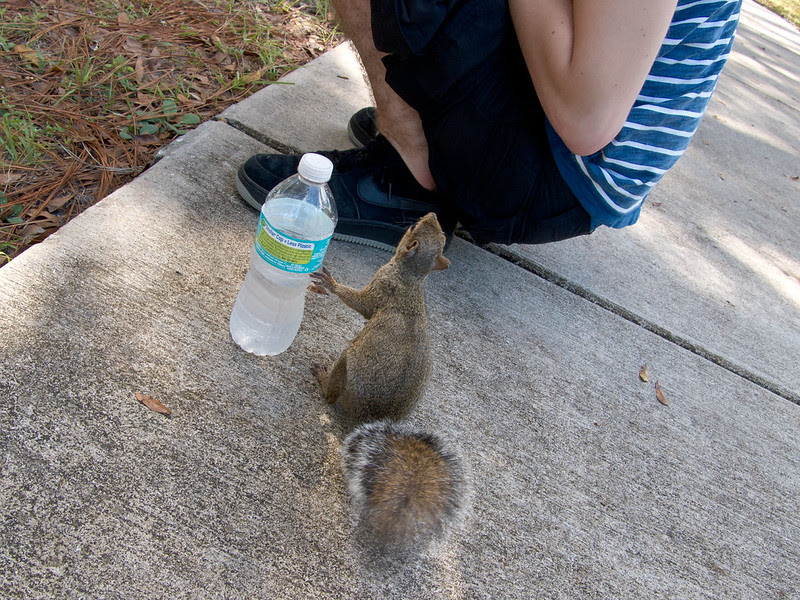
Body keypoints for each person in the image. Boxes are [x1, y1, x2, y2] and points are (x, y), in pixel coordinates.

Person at [236, 0, 743, 251]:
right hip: (566, 146)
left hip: (560, 173)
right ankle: (424, 126)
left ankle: (412, 177)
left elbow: (587, 121)